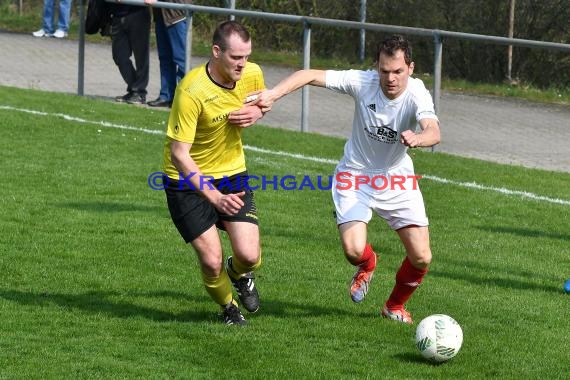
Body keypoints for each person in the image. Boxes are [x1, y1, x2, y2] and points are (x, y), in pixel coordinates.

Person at [257, 35, 441, 324]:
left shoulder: (417, 93)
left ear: (411, 68)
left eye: (398, 71)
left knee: (421, 256)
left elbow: (434, 131)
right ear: (376, 67)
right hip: (355, 175)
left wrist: (419, 137)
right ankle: (368, 263)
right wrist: (272, 94)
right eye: (384, 71)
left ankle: (393, 306)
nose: (390, 78)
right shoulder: (362, 82)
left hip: (396, 178)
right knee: (353, 250)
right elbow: (309, 74)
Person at [162, 20, 267, 326]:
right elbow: (179, 154)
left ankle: (239, 274)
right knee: (211, 260)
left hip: (232, 173)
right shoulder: (192, 91)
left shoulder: (252, 73)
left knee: (249, 256)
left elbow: (262, 101)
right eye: (236, 57)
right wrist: (215, 198)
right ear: (217, 51)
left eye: (246, 56)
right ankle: (229, 309)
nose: (243, 64)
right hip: (186, 180)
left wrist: (258, 111)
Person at [144, 0, 191, 108]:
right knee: (165, 58)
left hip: (177, 15)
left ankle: (186, 98)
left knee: (181, 60)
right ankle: (166, 96)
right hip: (161, 16)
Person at [108, 1, 151, 105]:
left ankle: (139, 92)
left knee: (141, 56)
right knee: (119, 56)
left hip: (138, 12)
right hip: (117, 15)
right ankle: (134, 89)